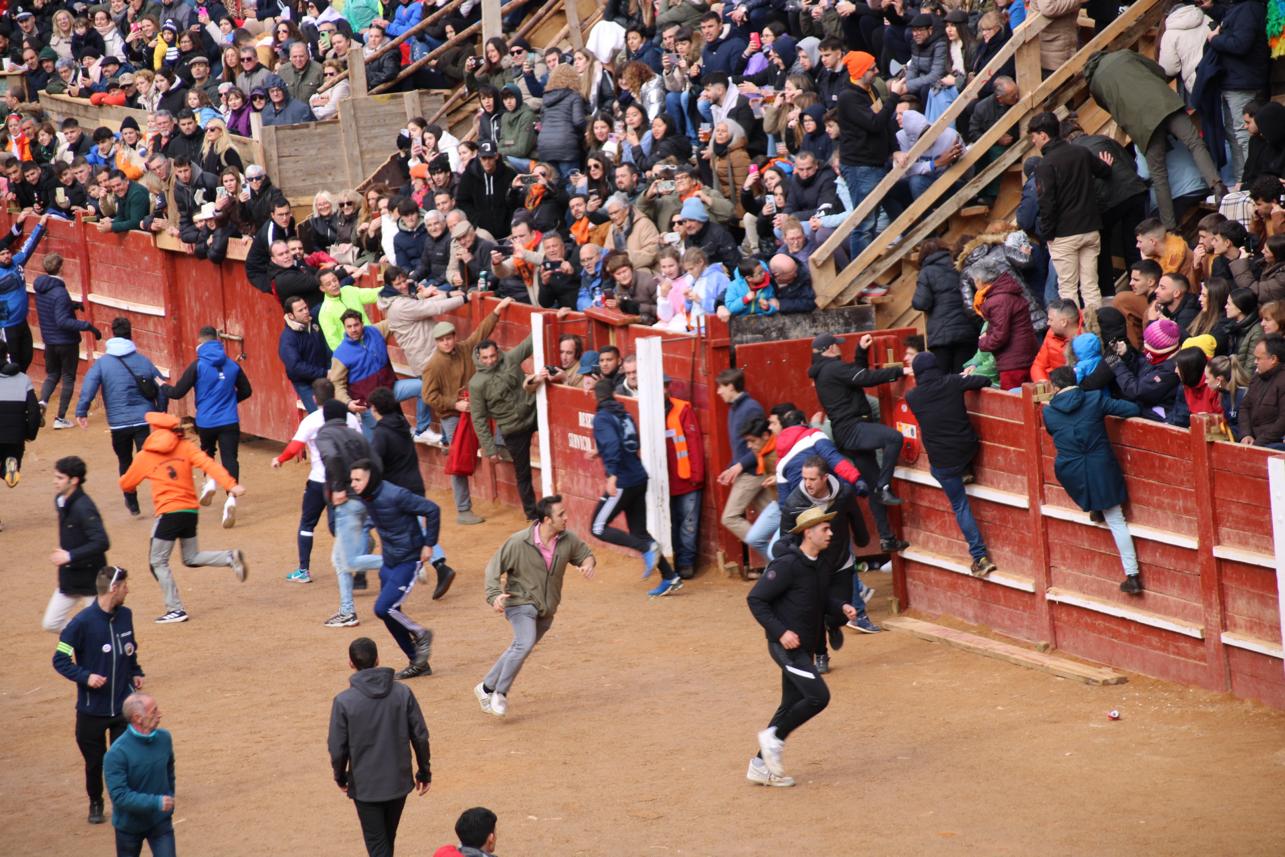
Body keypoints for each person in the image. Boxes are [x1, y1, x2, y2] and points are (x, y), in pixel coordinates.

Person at [746, 506, 858, 788]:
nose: (831, 533)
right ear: (809, 533)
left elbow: (820, 597)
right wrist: (781, 632)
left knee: (791, 704)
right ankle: (773, 738)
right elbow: (756, 599)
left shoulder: (820, 562)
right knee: (818, 697)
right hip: (786, 647)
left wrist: (840, 606)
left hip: (804, 647)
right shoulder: (787, 565)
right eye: (825, 529)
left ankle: (759, 766)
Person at [119, 413, 248, 624]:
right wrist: (231, 485)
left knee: (157, 561)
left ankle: (175, 609)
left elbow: (126, 484)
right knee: (190, 557)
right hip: (190, 511)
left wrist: (132, 482)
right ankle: (229, 557)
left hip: (169, 512)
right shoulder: (186, 447)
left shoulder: (145, 455)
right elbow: (210, 465)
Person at [478, 495, 596, 717]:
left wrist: (587, 566)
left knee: (521, 646)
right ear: (546, 519)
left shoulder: (567, 540)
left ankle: (485, 687)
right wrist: (494, 595)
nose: (566, 517)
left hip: (547, 608)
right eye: (561, 514)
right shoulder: (518, 542)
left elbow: (585, 555)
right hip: (519, 603)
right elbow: (493, 568)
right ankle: (499, 693)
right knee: (523, 644)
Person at [1083, 49, 1224, 230]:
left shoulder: (1095, 86)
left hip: (1140, 123)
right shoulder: (1125, 54)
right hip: (1164, 102)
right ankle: (1217, 185)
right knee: (1195, 143)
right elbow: (1158, 70)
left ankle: (1170, 227)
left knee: (1158, 173)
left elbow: (1110, 108)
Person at [52, 565, 143, 826]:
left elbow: (130, 649)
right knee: (95, 763)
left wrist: (136, 670)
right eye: (125, 586)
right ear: (113, 589)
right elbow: (60, 659)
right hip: (92, 710)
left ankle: (122, 802)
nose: (128, 590)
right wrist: (86, 677)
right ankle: (95, 801)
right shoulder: (80, 624)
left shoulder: (126, 615)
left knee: (122, 760)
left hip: (122, 707)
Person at [1043, 366, 1145, 594]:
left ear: (1055, 387)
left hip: (1071, 471)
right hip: (1100, 466)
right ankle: (1132, 575)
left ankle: (1095, 507)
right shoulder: (1095, 399)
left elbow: (1053, 432)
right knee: (1116, 520)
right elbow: (1131, 408)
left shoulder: (1049, 412)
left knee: (1098, 502)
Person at [328, 636, 432, 857]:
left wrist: (340, 776)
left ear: (351, 663)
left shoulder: (344, 701)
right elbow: (420, 736)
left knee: (378, 845)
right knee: (386, 840)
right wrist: (424, 771)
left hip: (366, 787)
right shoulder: (402, 693)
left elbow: (337, 748)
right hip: (398, 782)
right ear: (378, 660)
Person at [776, 455, 879, 675]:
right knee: (815, 613)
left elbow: (855, 516)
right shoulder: (795, 503)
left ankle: (833, 625)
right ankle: (821, 654)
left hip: (840, 561)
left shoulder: (843, 492)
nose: (807, 484)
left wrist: (862, 539)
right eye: (805, 478)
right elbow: (785, 538)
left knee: (839, 613)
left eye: (812, 479)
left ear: (825, 478)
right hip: (812, 567)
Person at [808, 332, 910, 553]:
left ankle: (886, 538)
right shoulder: (833, 368)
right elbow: (865, 378)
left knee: (872, 488)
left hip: (847, 432)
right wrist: (901, 371)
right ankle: (885, 486)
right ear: (829, 349)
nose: (839, 349)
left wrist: (860, 352)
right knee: (894, 438)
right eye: (837, 346)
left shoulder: (826, 370)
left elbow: (856, 376)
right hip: (854, 429)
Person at [903, 353, 998, 577]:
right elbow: (984, 381)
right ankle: (966, 470)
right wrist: (966, 376)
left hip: (944, 463)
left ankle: (979, 557)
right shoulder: (953, 382)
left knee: (960, 505)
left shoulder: (913, 396)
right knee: (959, 449)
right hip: (968, 449)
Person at [589, 377, 683, 597]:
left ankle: (645, 549)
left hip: (623, 480)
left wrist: (611, 474)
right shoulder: (624, 413)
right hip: (638, 476)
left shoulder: (602, 418)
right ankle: (670, 577)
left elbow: (612, 444)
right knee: (639, 531)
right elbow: (632, 443)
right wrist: (599, 451)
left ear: (595, 395)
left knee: (598, 527)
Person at [421, 299, 511, 525]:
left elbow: (480, 333)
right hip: (452, 416)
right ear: (437, 342)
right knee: (459, 460)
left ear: (453, 337)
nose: (447, 342)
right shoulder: (433, 365)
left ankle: (499, 445)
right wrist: (454, 404)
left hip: (475, 407)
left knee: (501, 408)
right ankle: (463, 510)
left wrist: (497, 312)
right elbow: (428, 397)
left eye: (449, 338)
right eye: (442, 340)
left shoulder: (463, 349)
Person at [348, 459, 439, 679]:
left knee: (383, 608)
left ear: (371, 478)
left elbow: (432, 509)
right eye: (352, 480)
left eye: (357, 479)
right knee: (390, 613)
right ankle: (418, 663)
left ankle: (421, 633)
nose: (353, 484)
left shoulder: (396, 495)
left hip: (409, 558)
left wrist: (429, 544)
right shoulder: (366, 495)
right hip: (389, 560)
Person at [368, 387, 458, 599]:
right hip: (414, 482)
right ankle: (433, 566)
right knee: (416, 527)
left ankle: (437, 565)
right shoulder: (402, 424)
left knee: (412, 529)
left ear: (376, 409)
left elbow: (376, 465)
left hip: (397, 489)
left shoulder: (381, 432)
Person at [272, 378, 363, 585]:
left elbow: (295, 447)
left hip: (318, 480)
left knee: (307, 523)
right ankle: (354, 563)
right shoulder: (350, 418)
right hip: (343, 480)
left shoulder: (311, 421)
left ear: (314, 398)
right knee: (338, 526)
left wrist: (279, 459)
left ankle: (303, 570)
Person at [161, 326, 253, 528]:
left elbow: (177, 392)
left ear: (200, 342)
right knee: (230, 458)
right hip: (229, 420)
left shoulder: (198, 366)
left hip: (206, 421)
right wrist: (229, 401)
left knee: (207, 453)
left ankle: (210, 481)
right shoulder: (232, 365)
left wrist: (162, 386)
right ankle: (231, 499)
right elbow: (247, 390)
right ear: (218, 341)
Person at [76, 317, 165, 518]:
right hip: (143, 419)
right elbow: (161, 386)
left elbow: (89, 386)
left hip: (118, 423)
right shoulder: (143, 360)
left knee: (125, 461)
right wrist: (161, 412)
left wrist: (82, 411)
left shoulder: (103, 364)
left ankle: (131, 501)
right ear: (130, 334)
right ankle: (161, 501)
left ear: (112, 333)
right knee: (150, 461)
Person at [1031, 111, 1113, 310]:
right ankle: (1096, 334)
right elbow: (1103, 171)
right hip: (1090, 227)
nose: (1033, 141)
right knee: (1091, 286)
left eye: (1033, 136)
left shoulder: (1045, 165)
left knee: (1068, 290)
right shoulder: (1081, 152)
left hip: (1064, 233)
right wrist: (1107, 165)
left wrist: (1047, 234)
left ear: (1043, 135)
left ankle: (1077, 337)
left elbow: (1047, 204)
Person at [469, 335, 545, 521]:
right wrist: (490, 448)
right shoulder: (476, 384)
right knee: (523, 472)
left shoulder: (510, 358)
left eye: (493, 356)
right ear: (479, 358)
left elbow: (531, 342)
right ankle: (532, 514)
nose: (490, 361)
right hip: (512, 428)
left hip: (534, 413)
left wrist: (553, 317)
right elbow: (478, 418)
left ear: (498, 353)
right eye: (485, 358)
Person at [103, 693, 176, 857]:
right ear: (138, 718)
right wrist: (156, 802)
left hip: (160, 822)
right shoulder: (117, 754)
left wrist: (169, 795)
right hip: (129, 827)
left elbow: (169, 770)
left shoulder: (164, 738)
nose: (160, 714)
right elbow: (120, 796)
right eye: (154, 711)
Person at [44, 456, 110, 633]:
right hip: (70, 575)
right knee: (51, 623)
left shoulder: (84, 507)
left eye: (60, 478)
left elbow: (102, 541)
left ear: (74, 480)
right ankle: (82, 635)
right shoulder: (61, 500)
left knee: (100, 628)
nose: (55, 481)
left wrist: (69, 555)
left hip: (92, 577)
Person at [35, 253, 100, 428]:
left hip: (49, 340)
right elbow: (62, 321)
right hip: (66, 342)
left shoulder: (41, 288)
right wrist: (88, 326)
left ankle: (42, 403)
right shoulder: (60, 292)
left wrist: (72, 306)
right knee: (68, 377)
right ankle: (60, 418)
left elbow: (53, 307)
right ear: (61, 267)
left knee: (53, 375)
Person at [714, 368, 771, 551]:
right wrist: (731, 468)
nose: (719, 392)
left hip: (752, 473)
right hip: (749, 471)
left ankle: (773, 553)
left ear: (731, 386)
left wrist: (739, 466)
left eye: (721, 387)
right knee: (774, 514)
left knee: (729, 517)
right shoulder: (736, 409)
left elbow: (762, 444)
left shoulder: (751, 408)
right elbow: (740, 447)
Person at [664, 378, 705, 579]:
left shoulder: (682, 409)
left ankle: (686, 563)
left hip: (685, 478)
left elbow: (694, 443)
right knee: (672, 523)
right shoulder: (643, 409)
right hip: (664, 482)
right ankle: (674, 562)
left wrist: (697, 476)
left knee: (687, 523)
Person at [0, 211, 48, 371]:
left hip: (21, 321)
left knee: (26, 356)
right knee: (11, 363)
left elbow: (29, 246)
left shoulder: (16, 261)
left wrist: (40, 225)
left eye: (8, 253)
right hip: (7, 326)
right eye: (2, 254)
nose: (7, 256)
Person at [279, 295, 332, 413]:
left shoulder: (313, 320)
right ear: (290, 315)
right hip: (305, 384)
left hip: (324, 376)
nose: (306, 312)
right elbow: (296, 366)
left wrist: (350, 278)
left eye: (306, 308)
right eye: (300, 310)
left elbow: (329, 298)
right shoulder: (288, 338)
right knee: (320, 415)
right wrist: (325, 372)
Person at [0, 338, 41, 492]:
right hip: (15, 436)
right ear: (6, 355)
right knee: (11, 460)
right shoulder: (23, 379)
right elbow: (34, 412)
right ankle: (8, 467)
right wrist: (30, 434)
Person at [1239, 334, 1285, 447]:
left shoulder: (1283, 381)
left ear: (1273, 359)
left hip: (1273, 442)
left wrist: (1259, 443)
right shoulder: (1256, 378)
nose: (1255, 362)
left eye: (1258, 358)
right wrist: (1246, 434)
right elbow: (1245, 407)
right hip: (1253, 439)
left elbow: (1283, 421)